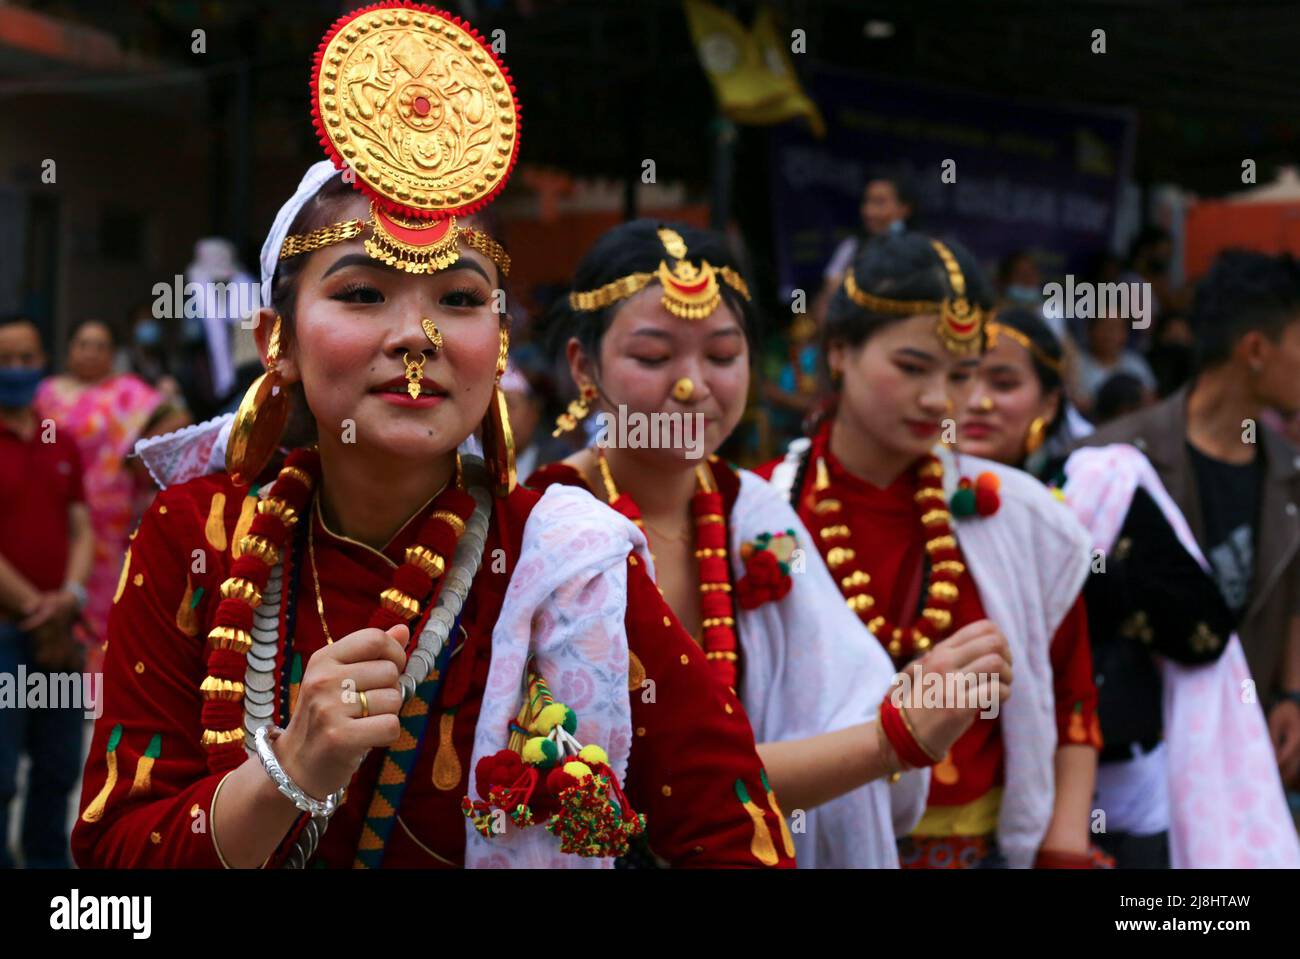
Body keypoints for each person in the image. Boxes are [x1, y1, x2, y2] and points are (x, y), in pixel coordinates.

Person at [71, 4, 793, 870]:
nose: (420, 335)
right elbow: (113, 872)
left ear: (499, 347)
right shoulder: (195, 538)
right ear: (280, 341)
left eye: (459, 299)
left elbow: (736, 835)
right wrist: (289, 770)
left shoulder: (565, 560)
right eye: (363, 294)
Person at [528, 219, 1012, 867]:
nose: (692, 385)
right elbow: (651, 782)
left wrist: (897, 718)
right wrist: (891, 736)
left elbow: (842, 706)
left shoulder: (755, 513)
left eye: (723, 356)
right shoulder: (549, 531)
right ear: (584, 365)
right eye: (653, 357)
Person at [758, 235, 1101, 869]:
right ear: (838, 352)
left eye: (961, 375)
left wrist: (1064, 847)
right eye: (914, 368)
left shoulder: (1020, 516)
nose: (942, 400)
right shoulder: (759, 513)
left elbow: (1073, 697)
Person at [961, 306, 1300, 867]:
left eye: (1002, 382)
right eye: (959, 377)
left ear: (1049, 403)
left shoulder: (1097, 486)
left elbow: (1203, 632)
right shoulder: (916, 508)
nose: (976, 401)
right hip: (959, 799)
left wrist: (1084, 569)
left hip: (1117, 801)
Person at [1081, 250, 1300, 798]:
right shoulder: (1114, 461)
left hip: (1251, 757)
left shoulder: (1290, 474)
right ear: (1255, 349)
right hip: (1133, 771)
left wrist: (1293, 696)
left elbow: (1295, 595)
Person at [0, 313, 94, 869]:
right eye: (5, 360)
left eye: (26, 358)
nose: (16, 369)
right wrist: (37, 606)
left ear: (43, 362)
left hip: (58, 634)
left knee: (59, 768)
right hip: (7, 635)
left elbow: (81, 527)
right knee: (1, 773)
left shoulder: (59, 438)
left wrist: (71, 597)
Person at [35, 320, 172, 671]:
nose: (91, 352)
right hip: (57, 507)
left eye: (100, 346)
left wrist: (136, 460)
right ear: (69, 351)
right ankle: (57, 680)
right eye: (83, 344)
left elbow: (176, 418)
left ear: (112, 354)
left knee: (111, 600)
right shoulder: (47, 393)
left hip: (113, 518)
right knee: (57, 588)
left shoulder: (128, 392)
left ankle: (104, 687)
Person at [811, 168, 919, 329]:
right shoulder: (851, 247)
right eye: (867, 202)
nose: (869, 211)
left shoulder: (919, 250)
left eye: (879, 202)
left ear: (904, 208)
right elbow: (831, 292)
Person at [1074, 313, 1156, 415]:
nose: (1110, 333)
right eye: (1105, 326)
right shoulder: (1076, 364)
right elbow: (1078, 404)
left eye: (1117, 327)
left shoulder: (1136, 362)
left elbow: (1151, 398)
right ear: (1090, 329)